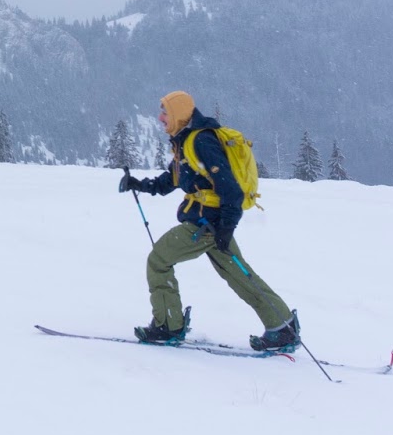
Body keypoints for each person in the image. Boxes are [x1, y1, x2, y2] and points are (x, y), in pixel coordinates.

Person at [117, 90, 301, 352]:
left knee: (158, 261)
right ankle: (283, 327)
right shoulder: (185, 141)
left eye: (165, 113)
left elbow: (231, 190)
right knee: (237, 273)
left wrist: (226, 227)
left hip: (205, 225)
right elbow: (172, 179)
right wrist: (140, 184)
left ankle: (169, 326)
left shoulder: (201, 141)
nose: (160, 118)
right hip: (212, 223)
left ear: (179, 115)